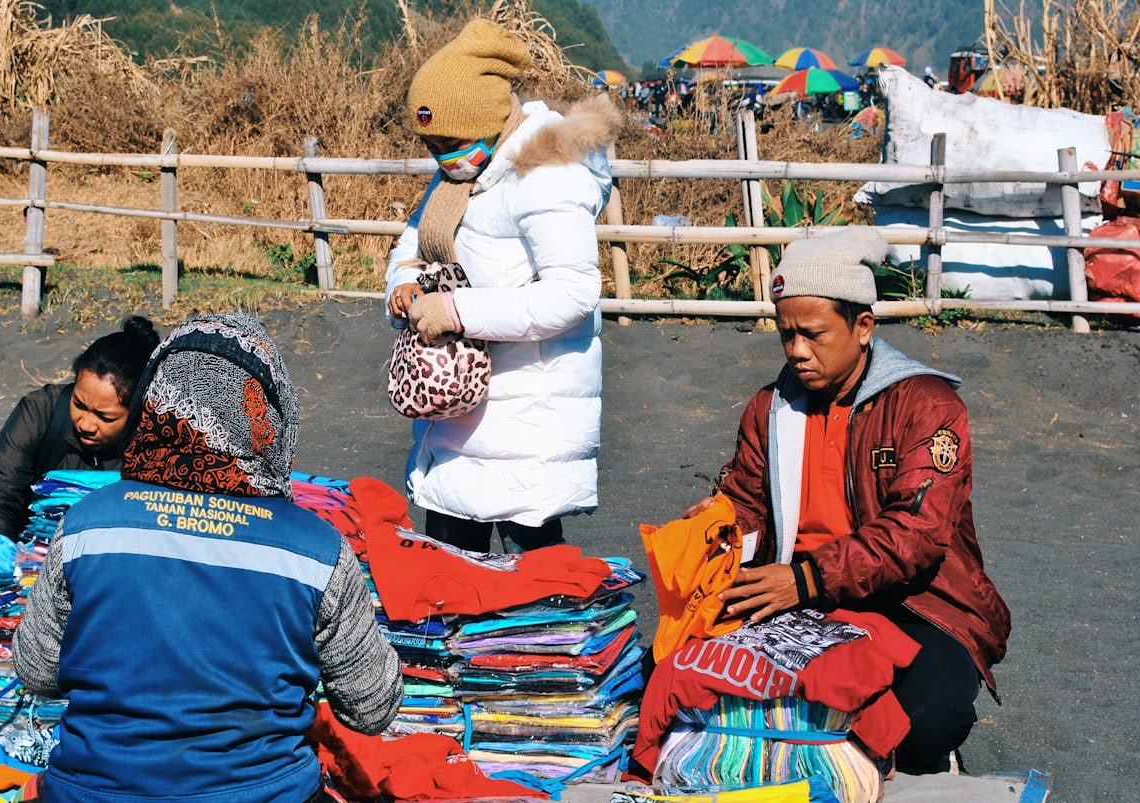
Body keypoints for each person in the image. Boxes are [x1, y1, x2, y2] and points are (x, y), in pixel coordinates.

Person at [13, 312, 403, 803]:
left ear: (151, 406)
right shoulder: (317, 551)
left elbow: (37, 672)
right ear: (268, 419)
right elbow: (371, 708)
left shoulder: (88, 526)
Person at [688, 228, 1010, 775]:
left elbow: (915, 535)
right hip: (798, 595)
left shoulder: (927, 405)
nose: (796, 351)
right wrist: (721, 524)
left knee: (927, 721)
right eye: (785, 334)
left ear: (863, 327)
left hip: (915, 601)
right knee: (681, 677)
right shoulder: (769, 407)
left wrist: (806, 579)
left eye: (813, 335)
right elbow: (748, 502)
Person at [384, 19, 619, 554]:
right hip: (460, 404)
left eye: (448, 142)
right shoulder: (461, 176)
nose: (440, 157)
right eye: (430, 144)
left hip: (526, 405)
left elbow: (573, 293)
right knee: (448, 566)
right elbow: (411, 245)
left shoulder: (546, 175)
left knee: (534, 580)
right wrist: (403, 284)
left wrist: (454, 311)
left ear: (489, 122)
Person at [0, 315, 161, 541]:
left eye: (105, 417)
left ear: (139, 412)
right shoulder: (40, 412)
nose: (85, 424)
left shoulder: (161, 440)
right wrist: (4, 562)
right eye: (79, 404)